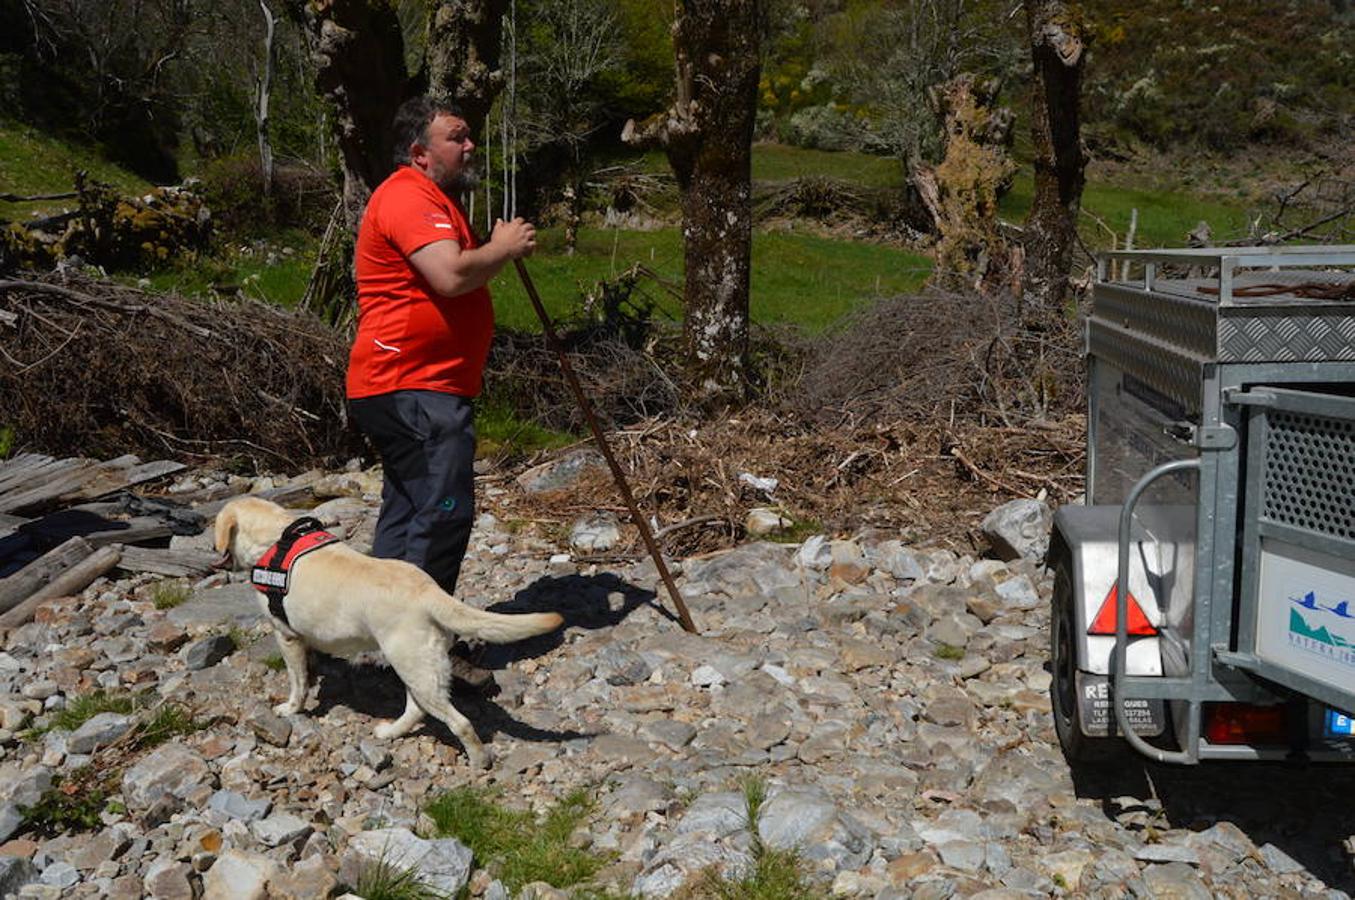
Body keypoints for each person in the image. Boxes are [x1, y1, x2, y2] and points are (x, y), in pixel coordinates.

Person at [346, 96, 536, 597]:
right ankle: (421, 643)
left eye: (469, 135)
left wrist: (494, 252)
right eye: (456, 137)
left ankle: (379, 643)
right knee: (442, 511)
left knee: (411, 508)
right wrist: (504, 248)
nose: (470, 146)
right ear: (419, 152)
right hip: (412, 384)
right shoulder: (409, 196)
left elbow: (462, 275)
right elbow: (450, 276)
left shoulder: (431, 198)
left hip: (415, 385)